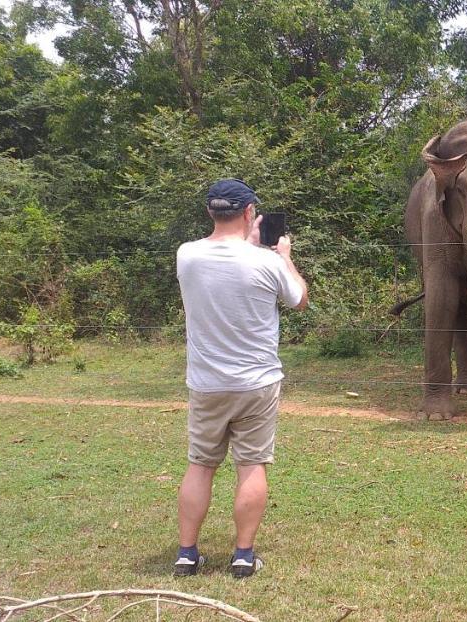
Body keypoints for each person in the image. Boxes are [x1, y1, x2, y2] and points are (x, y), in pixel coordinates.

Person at [173, 179, 308, 578]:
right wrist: (284, 257)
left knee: (200, 464)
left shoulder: (187, 255)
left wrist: (248, 243)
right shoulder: (266, 262)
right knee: (251, 465)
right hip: (257, 384)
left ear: (210, 211)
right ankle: (243, 556)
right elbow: (299, 299)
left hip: (206, 383)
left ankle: (186, 553)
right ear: (250, 212)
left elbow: (223, 260)